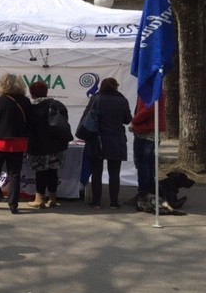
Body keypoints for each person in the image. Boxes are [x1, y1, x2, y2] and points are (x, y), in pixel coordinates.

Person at [0, 73, 32, 214]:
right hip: (19, 142)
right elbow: (31, 123)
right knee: (14, 173)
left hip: (0, 142)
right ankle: (13, 204)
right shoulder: (26, 102)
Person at [82, 77, 132, 209]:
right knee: (114, 173)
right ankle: (114, 202)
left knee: (96, 172)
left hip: (97, 139)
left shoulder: (96, 98)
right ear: (116, 86)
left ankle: (96, 201)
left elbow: (86, 117)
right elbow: (127, 120)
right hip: (116, 140)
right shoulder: (122, 100)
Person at [26, 81, 70, 209]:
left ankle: (39, 199)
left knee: (41, 172)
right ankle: (53, 198)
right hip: (58, 145)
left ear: (32, 93)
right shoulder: (58, 105)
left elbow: (30, 128)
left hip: (39, 146)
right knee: (53, 171)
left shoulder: (32, 108)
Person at [129, 92, 166, 202]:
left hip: (146, 131)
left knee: (142, 163)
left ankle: (144, 194)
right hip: (151, 130)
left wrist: (134, 121)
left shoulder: (151, 89)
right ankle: (150, 192)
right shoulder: (155, 87)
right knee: (148, 163)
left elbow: (149, 109)